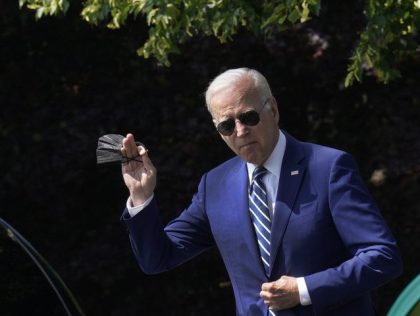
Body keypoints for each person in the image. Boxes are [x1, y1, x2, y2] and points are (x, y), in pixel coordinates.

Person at [120, 68, 402, 316]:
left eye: (249, 117)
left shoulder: (328, 168)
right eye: (227, 125)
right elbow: (157, 259)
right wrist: (142, 197)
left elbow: (382, 256)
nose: (240, 131)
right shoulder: (215, 185)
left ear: (274, 110)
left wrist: (304, 289)